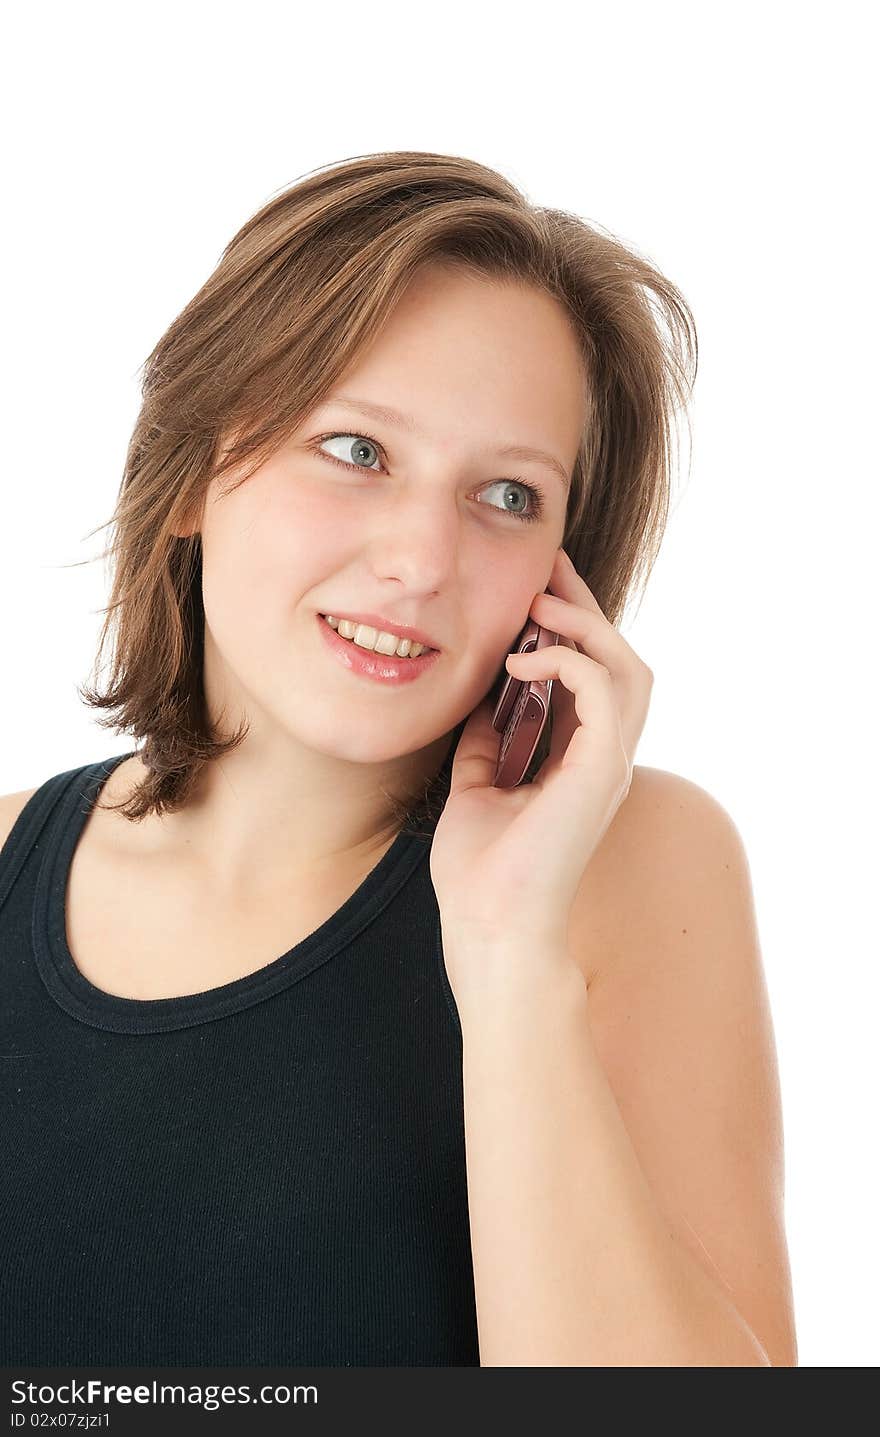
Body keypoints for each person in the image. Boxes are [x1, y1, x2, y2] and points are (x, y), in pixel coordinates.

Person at [0, 150, 797, 1367]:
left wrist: (508, 952)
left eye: (510, 496)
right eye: (359, 451)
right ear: (190, 476)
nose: (422, 560)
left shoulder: (631, 866)